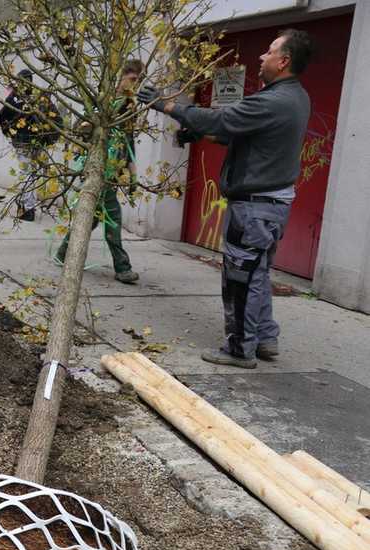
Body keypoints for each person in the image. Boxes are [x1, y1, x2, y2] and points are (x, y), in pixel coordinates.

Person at [139, 29, 313, 368]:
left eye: (269, 51)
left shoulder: (273, 100)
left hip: (254, 208)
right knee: (257, 273)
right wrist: (203, 132)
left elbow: (225, 118)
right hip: (270, 207)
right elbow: (245, 136)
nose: (261, 57)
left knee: (239, 278)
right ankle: (265, 337)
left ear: (284, 61)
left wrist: (169, 105)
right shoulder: (295, 97)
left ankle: (240, 349)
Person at [55, 60, 142, 284]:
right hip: (98, 169)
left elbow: (129, 142)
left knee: (92, 218)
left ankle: (64, 252)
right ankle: (122, 267)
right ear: (121, 77)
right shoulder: (103, 101)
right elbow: (82, 128)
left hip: (112, 171)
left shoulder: (131, 106)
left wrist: (133, 174)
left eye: (139, 80)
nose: (136, 84)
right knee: (113, 216)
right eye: (133, 79)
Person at [0, 69, 61, 221]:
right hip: (38, 142)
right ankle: (26, 205)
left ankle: (28, 208)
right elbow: (57, 118)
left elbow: (3, 118)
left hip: (23, 142)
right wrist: (49, 139)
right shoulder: (41, 96)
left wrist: (11, 134)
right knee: (31, 174)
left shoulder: (13, 98)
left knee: (27, 174)